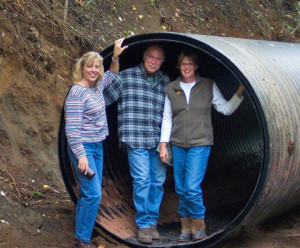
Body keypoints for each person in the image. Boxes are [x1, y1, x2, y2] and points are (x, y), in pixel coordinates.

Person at [159, 50, 245, 242]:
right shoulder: (171, 88)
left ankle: (199, 226)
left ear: (196, 66)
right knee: (181, 188)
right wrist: (163, 145)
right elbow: (167, 118)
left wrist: (240, 91)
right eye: (183, 64)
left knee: (191, 187)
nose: (187, 67)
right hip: (178, 144)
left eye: (190, 63)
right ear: (178, 67)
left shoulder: (208, 85)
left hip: (201, 143)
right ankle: (185, 226)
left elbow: (225, 109)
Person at [104, 44, 170, 244]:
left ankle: (152, 222)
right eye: (151, 57)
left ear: (162, 62)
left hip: (157, 142)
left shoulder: (166, 82)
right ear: (143, 57)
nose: (153, 61)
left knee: (157, 182)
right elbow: (105, 96)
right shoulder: (127, 76)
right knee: (142, 180)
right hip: (134, 139)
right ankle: (143, 225)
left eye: (158, 59)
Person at [64, 38, 127, 248]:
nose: (93, 69)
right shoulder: (76, 93)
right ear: (81, 68)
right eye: (89, 66)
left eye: (97, 66)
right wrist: (81, 156)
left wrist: (115, 56)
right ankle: (82, 240)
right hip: (83, 148)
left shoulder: (97, 87)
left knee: (89, 192)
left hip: (97, 146)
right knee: (93, 194)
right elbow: (71, 131)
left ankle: (83, 235)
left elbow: (113, 74)